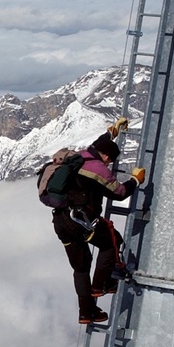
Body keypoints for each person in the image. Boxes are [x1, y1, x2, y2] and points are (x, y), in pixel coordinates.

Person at [52, 118, 146, 324]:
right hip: (81, 220)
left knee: (81, 267)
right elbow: (119, 193)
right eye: (110, 159)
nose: (109, 163)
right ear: (105, 156)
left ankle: (87, 312)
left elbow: (99, 144)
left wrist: (112, 132)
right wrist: (135, 180)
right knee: (111, 241)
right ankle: (101, 285)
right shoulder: (97, 168)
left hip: (61, 222)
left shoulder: (79, 156)